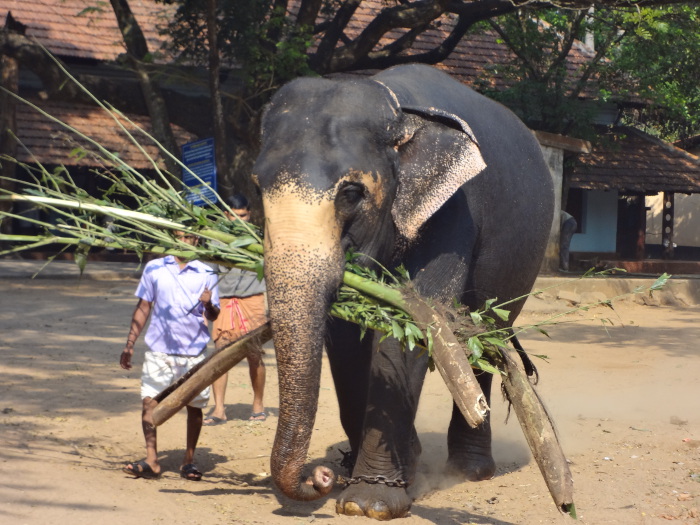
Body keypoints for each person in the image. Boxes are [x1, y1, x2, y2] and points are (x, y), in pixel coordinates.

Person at [120, 231, 220, 480]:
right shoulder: (155, 268)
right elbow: (144, 306)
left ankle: (188, 461)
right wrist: (130, 342)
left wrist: (208, 303)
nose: (185, 242)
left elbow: (214, 315)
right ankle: (152, 460)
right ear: (171, 237)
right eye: (180, 237)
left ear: (198, 240)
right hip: (159, 351)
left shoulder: (207, 272)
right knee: (149, 403)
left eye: (190, 237)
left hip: (193, 353)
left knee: (194, 408)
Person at [204, 194, 268, 425]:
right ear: (226, 215)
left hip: (253, 301)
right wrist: (205, 309)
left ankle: (258, 405)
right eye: (234, 216)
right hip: (225, 303)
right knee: (220, 355)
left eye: (243, 216)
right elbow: (208, 277)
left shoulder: (260, 239)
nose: (239, 220)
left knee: (254, 355)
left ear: (249, 215)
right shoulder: (215, 240)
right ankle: (219, 409)